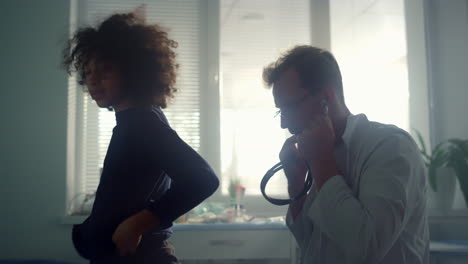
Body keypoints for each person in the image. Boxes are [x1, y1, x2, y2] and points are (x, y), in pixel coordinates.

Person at [62, 12, 219, 263]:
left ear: (133, 71)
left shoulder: (142, 123)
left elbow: (202, 179)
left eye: (105, 70)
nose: (92, 79)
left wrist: (137, 224)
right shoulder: (136, 121)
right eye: (88, 70)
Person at [262, 45, 429, 264]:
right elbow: (310, 242)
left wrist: (322, 162)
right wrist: (296, 184)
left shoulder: (391, 147)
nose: (285, 122)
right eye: (279, 111)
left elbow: (366, 248)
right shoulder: (322, 149)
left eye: (290, 108)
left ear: (326, 99)